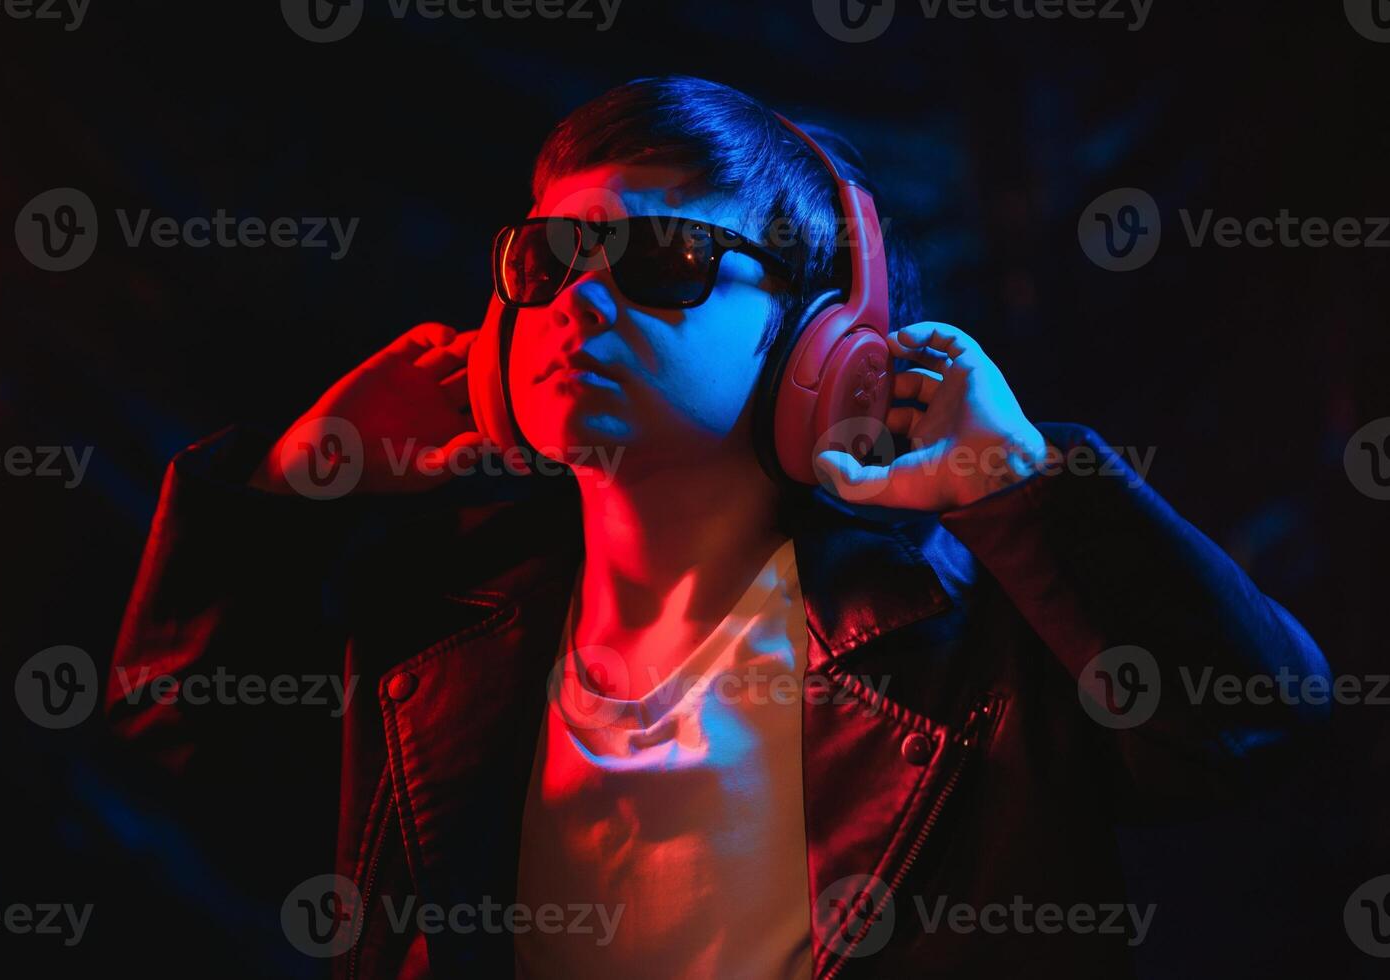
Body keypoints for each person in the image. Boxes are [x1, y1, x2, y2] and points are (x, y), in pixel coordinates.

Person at [109, 75, 1328, 979]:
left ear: (819, 338)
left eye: (666, 254)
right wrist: (282, 480)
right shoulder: (432, 650)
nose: (582, 296)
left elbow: (1252, 729)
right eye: (551, 254)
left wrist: (1021, 479)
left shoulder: (971, 655)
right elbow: (176, 744)